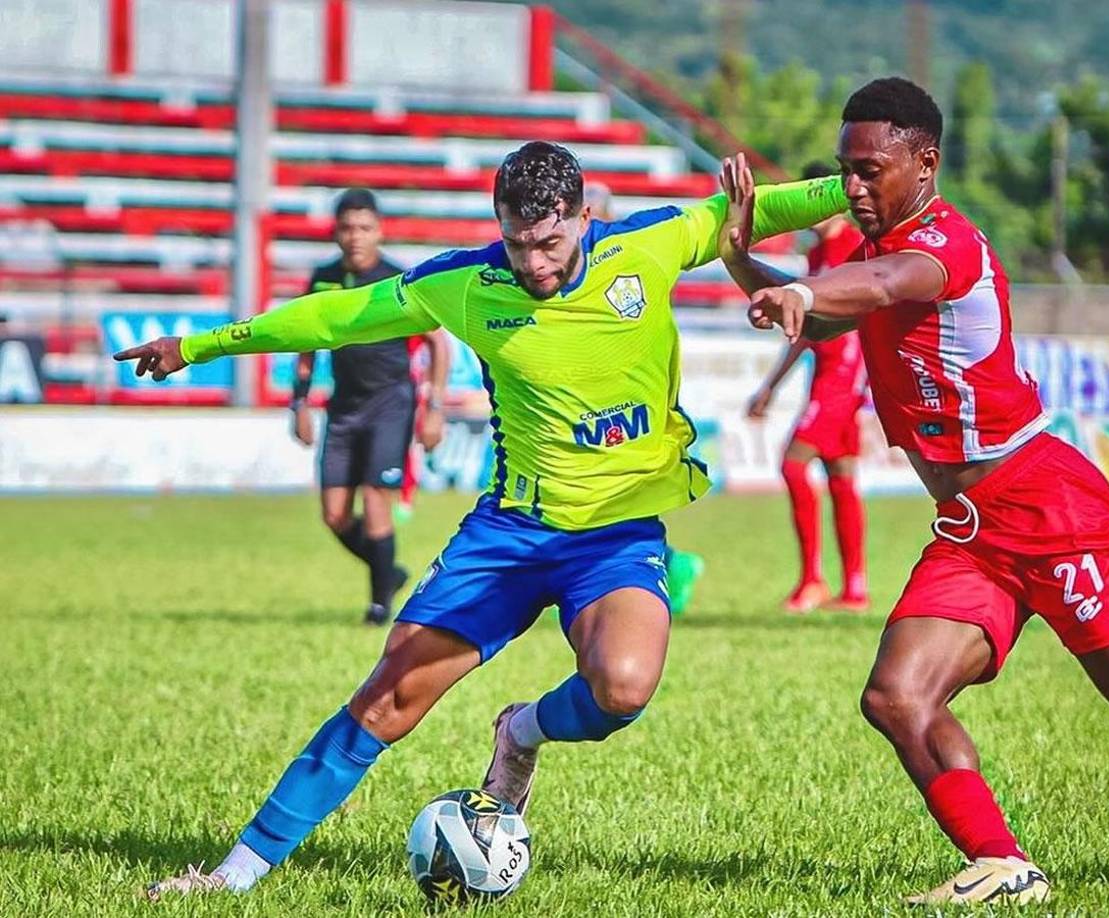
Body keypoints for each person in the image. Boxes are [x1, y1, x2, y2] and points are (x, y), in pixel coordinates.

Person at [116, 140, 850, 898]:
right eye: (517, 242)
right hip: (510, 536)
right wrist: (197, 346)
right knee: (389, 698)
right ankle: (234, 875)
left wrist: (869, 190)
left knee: (623, 688)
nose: (532, 262)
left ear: (584, 218)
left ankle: (520, 730)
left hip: (615, 535)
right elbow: (334, 317)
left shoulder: (649, 245)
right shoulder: (466, 283)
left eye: (549, 243)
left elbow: (769, 207)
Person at [719, 77, 1109, 905]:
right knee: (897, 696)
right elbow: (828, 317)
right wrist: (744, 259)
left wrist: (805, 289)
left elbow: (882, 289)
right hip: (972, 526)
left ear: (925, 164)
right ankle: (1002, 865)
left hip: (1047, 505)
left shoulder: (941, 245)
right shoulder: (879, 247)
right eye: (845, 170)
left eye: (869, 170)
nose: (852, 187)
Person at [291, 188, 450, 625]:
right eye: (347, 228)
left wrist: (435, 408)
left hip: (390, 405)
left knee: (377, 499)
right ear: (336, 232)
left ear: (379, 231)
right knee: (334, 514)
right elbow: (305, 343)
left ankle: (379, 606)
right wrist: (299, 403)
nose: (355, 236)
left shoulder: (397, 281)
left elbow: (438, 343)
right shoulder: (323, 279)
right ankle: (389, 573)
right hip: (343, 408)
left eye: (364, 228)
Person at [746, 162, 869, 613]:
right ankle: (854, 588)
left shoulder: (854, 246)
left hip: (845, 372)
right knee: (840, 475)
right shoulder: (817, 255)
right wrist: (772, 386)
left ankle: (813, 580)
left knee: (794, 464)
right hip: (827, 372)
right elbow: (807, 326)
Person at [583, 180, 706, 615]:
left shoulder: (628, 263)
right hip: (589, 402)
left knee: (614, 496)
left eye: (594, 215)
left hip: (627, 403)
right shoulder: (572, 272)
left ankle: (667, 566)